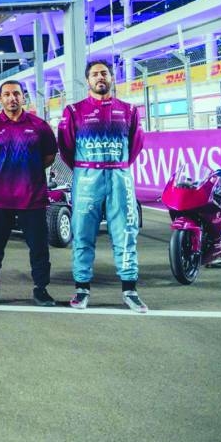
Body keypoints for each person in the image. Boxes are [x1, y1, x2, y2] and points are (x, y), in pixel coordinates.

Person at [58, 59, 147, 312]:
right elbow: (66, 147)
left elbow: (135, 145)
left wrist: (116, 165)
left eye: (105, 73)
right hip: (87, 180)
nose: (100, 78)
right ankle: (81, 291)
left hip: (119, 179)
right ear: (87, 80)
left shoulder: (129, 110)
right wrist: (89, 166)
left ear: (112, 78)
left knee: (126, 235)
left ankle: (130, 291)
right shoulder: (74, 111)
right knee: (83, 235)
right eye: (95, 74)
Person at [0, 81, 58, 306]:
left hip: (32, 199)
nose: (12, 98)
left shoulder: (39, 126)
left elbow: (50, 156)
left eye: (16, 94)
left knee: (39, 249)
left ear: (23, 97)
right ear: (0, 99)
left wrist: (29, 170)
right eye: (7, 94)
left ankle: (41, 289)